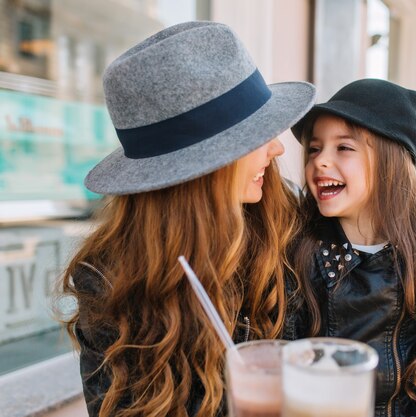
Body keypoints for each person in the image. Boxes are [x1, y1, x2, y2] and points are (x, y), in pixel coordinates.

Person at [57, 22, 315, 417]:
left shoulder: (286, 232)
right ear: (204, 169)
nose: (278, 148)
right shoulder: (111, 284)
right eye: (256, 135)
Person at [291, 79, 416, 417]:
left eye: (343, 148)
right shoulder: (300, 253)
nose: (320, 161)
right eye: (314, 148)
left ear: (390, 163)